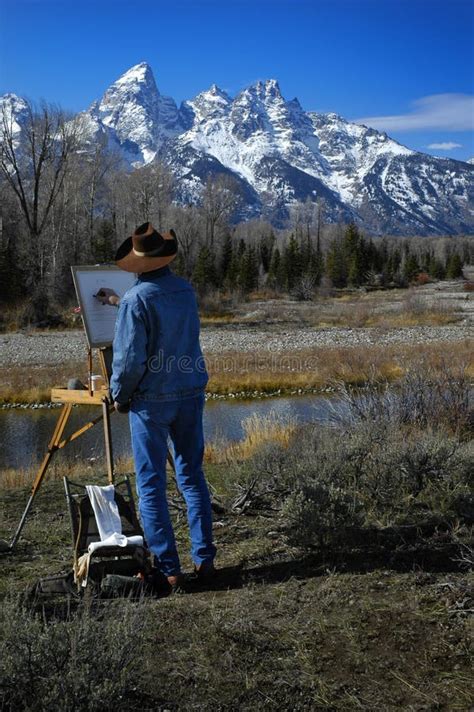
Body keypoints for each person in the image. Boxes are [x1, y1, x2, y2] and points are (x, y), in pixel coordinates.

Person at [98, 222, 216, 593]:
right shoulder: (183, 289)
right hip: (189, 390)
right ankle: (205, 560)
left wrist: (119, 395)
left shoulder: (137, 300)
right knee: (192, 476)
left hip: (152, 401)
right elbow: (164, 323)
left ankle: (169, 570)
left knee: (150, 485)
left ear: (138, 264)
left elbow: (130, 360)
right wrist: (119, 303)